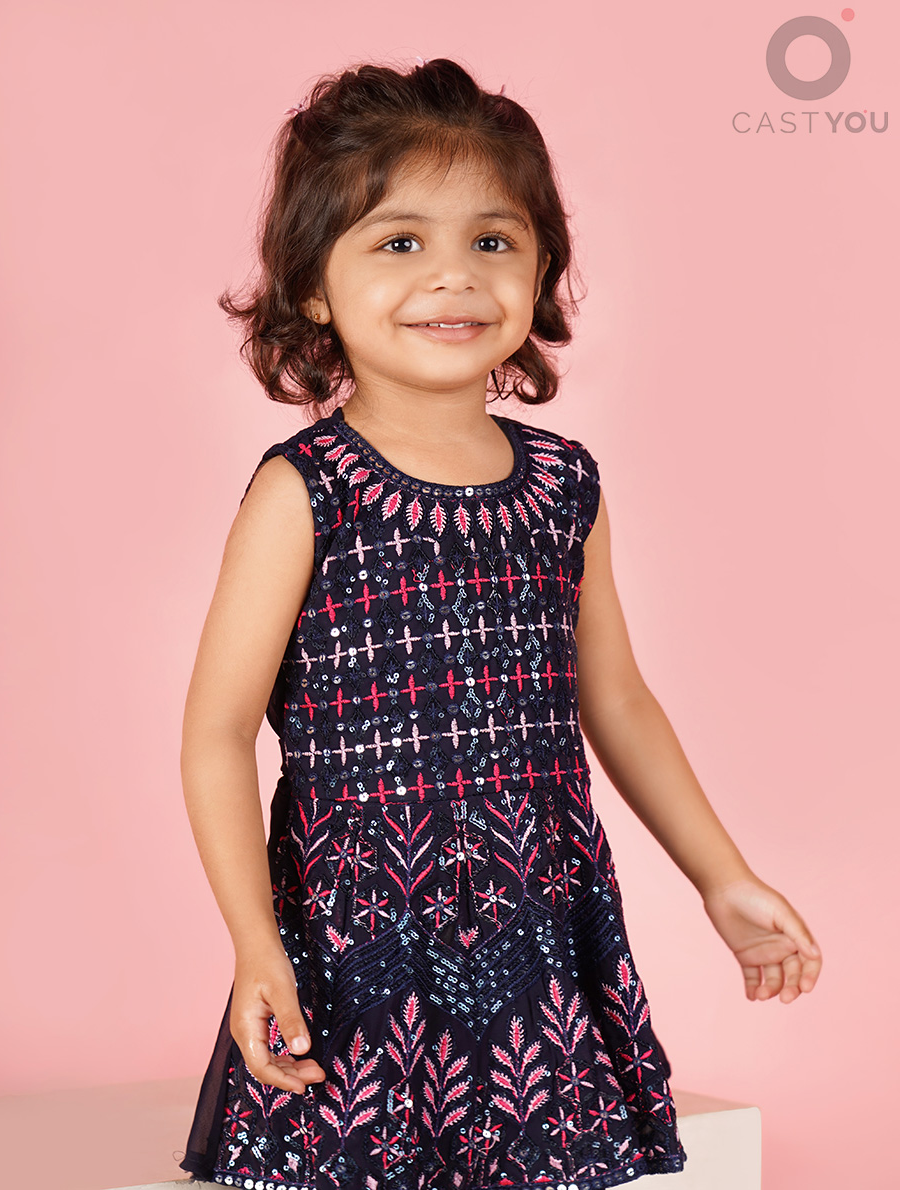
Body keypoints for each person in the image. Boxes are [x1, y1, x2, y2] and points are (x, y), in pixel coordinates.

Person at [178, 57, 822, 1190]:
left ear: (540, 272)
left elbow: (616, 700)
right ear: (314, 288)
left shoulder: (564, 484)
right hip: (364, 929)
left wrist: (721, 876)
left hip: (535, 918)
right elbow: (220, 732)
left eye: (491, 240)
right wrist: (253, 941)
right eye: (398, 242)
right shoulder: (307, 489)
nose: (453, 276)